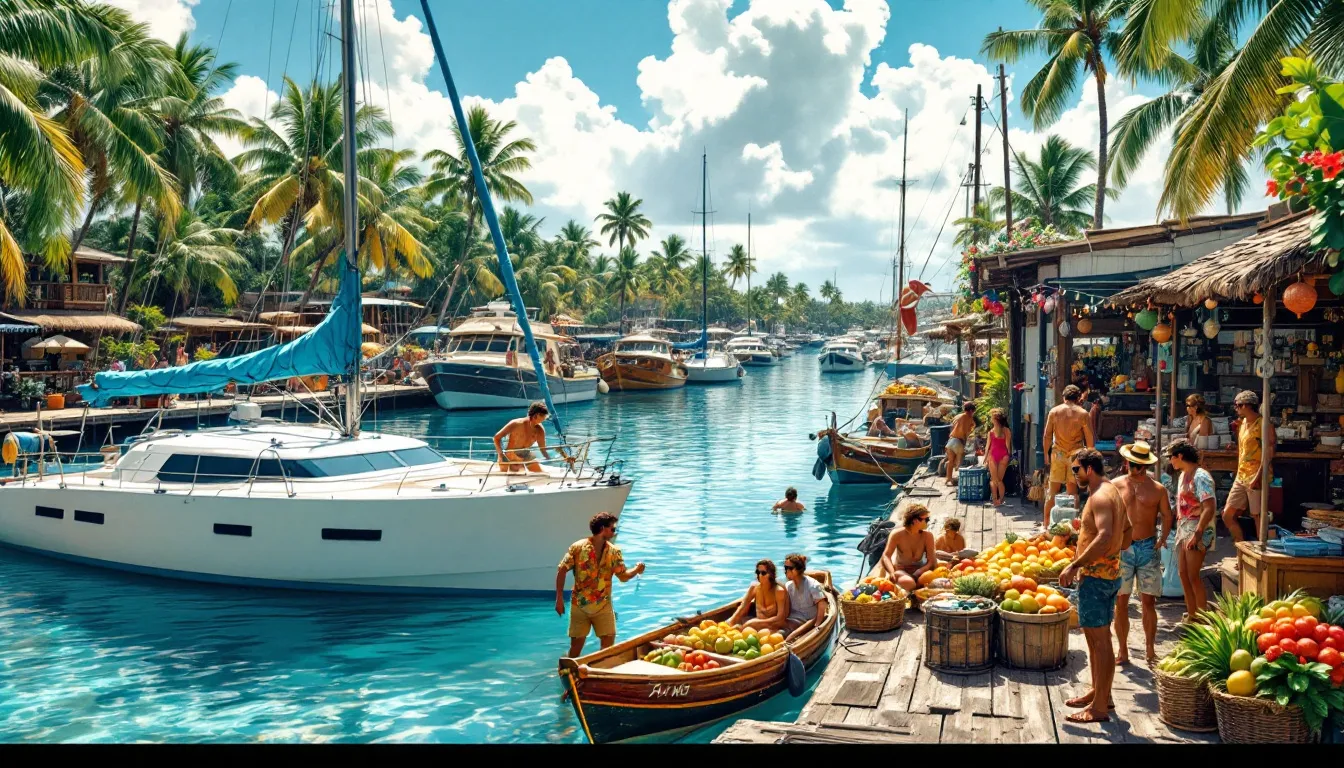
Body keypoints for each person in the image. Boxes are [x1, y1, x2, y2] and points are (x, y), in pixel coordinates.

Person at [1058, 447, 1128, 724]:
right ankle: (1101, 692)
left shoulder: (1100, 496)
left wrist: (1075, 564)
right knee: (1094, 639)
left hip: (1097, 579)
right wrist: (1113, 555)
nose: (1074, 475)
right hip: (1107, 574)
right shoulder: (1113, 491)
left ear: (1089, 469)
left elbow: (1106, 534)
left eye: (1076, 470)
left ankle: (1100, 708)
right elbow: (1128, 529)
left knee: (1100, 643)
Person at [1111, 441, 1173, 666]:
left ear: (1143, 465)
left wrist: (1162, 538)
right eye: (1132, 463)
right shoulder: (1116, 485)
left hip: (1147, 546)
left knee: (1148, 601)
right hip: (1123, 546)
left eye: (1137, 464)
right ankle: (1123, 649)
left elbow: (1167, 515)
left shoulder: (1157, 489)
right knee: (1121, 601)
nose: (1133, 467)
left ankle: (1149, 648)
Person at [556, 512, 645, 658]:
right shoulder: (577, 548)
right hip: (579, 606)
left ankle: (600, 673)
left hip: (603, 606)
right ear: (603, 528)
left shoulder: (614, 552)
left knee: (607, 648)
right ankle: (567, 672)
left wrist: (636, 569)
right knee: (576, 648)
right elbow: (562, 570)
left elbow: (623, 577)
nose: (614, 532)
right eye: (612, 529)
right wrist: (559, 598)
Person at [1168, 439, 1217, 621]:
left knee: (1193, 575)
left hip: (1198, 527)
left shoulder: (1201, 476)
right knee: (1183, 573)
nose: (1170, 461)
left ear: (1180, 456)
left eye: (1171, 457)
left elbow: (1209, 507)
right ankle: (1192, 614)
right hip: (1183, 528)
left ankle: (1202, 617)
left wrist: (1198, 533)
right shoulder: (1182, 476)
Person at [1222, 390, 1274, 543]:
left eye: (1238, 405)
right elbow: (1246, 449)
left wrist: (1258, 476)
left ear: (1247, 406)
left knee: (1258, 516)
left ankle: (1260, 551)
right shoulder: (1243, 423)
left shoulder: (1264, 425)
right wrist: (1234, 448)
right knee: (1227, 515)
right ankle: (1241, 549)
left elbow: (1269, 454)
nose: (1236, 408)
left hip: (1257, 474)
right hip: (1242, 475)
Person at [1042, 384, 1095, 529]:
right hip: (1076, 456)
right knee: (1072, 493)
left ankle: (1045, 525)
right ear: (1078, 398)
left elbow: (1047, 435)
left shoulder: (1054, 412)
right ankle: (1073, 527)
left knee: (1052, 492)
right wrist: (1090, 458)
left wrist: (1046, 455)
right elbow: (1089, 439)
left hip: (1057, 454)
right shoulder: (1083, 413)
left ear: (1064, 397)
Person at [879, 503, 938, 593]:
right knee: (909, 583)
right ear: (914, 520)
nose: (927, 521)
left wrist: (918, 572)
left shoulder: (928, 536)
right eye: (925, 519)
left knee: (937, 581)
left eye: (928, 519)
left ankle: (913, 587)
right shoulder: (897, 534)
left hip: (920, 570)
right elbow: (886, 555)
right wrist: (891, 572)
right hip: (902, 571)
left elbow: (931, 561)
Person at [493, 401, 565, 474]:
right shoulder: (516, 424)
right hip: (510, 455)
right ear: (536, 415)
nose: (545, 418)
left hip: (526, 454)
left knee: (541, 475)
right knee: (516, 477)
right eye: (543, 416)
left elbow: (543, 449)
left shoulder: (540, 430)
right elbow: (496, 438)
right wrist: (501, 455)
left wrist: (550, 460)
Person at [727, 559, 791, 632]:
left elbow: (780, 619)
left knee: (748, 627)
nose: (760, 575)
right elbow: (742, 608)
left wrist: (753, 623)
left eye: (763, 573)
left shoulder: (779, 591)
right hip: (756, 624)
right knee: (730, 623)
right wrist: (730, 624)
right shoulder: (754, 588)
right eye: (758, 572)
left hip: (774, 627)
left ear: (771, 574)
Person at [782, 553, 828, 634]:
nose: (786, 571)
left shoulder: (812, 585)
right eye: (785, 568)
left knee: (782, 632)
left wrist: (817, 626)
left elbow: (822, 606)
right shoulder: (788, 586)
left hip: (807, 621)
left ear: (798, 569)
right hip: (792, 620)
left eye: (789, 568)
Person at [985, 408, 1012, 506]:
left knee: (995, 480)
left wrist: (985, 459)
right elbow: (1008, 445)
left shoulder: (991, 432)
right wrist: (1009, 456)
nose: (991, 420)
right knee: (999, 480)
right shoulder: (1006, 430)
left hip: (993, 456)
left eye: (992, 418)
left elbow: (987, 447)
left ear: (996, 419)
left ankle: (996, 500)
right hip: (1002, 455)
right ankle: (999, 500)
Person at [944, 402, 976, 487]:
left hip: (951, 440)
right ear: (971, 410)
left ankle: (948, 478)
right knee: (958, 462)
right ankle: (955, 476)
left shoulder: (958, 416)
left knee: (950, 461)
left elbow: (953, 426)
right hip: (959, 441)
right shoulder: (968, 417)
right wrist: (965, 440)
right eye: (973, 412)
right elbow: (965, 429)